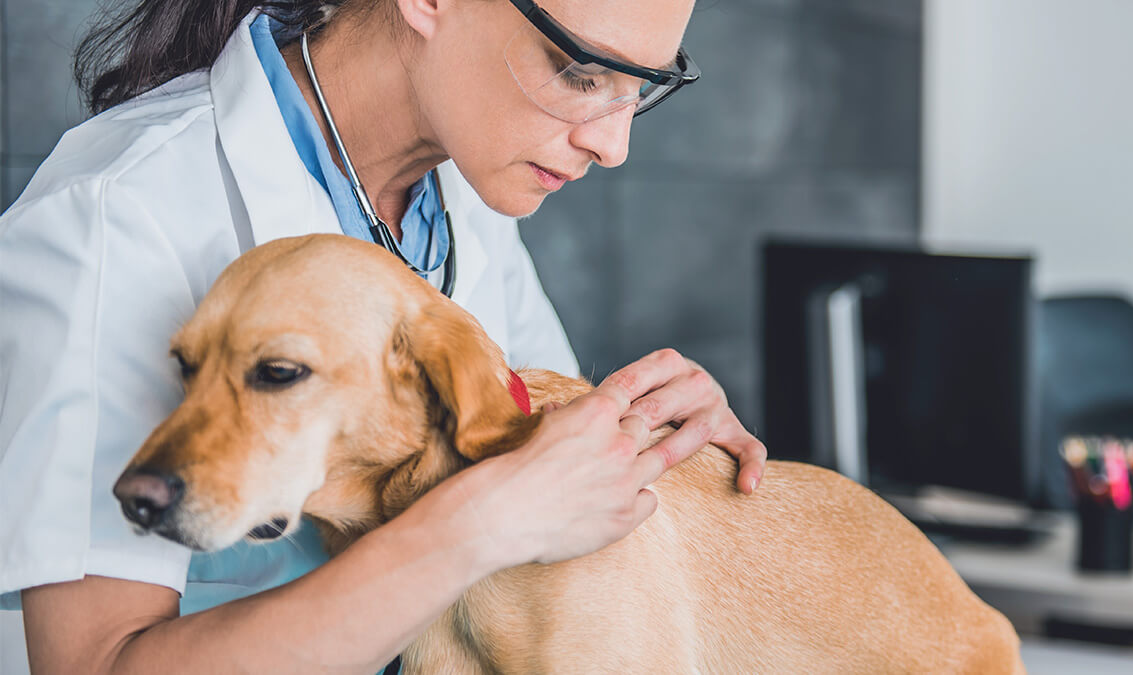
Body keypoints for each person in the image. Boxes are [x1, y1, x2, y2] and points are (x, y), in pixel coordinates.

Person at [0, 0, 767, 671]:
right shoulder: (115, 215)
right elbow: (91, 664)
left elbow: (549, 496)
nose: (614, 145)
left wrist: (658, 453)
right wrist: (475, 527)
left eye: (644, 87)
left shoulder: (464, 187)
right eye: (579, 71)